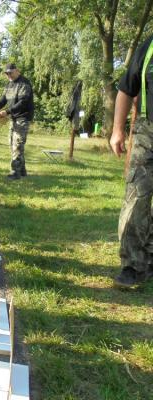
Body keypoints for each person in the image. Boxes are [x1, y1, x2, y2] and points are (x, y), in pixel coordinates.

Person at [110, 35, 153, 288]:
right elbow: (126, 89)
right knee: (136, 197)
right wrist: (118, 130)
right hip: (147, 133)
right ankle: (132, 266)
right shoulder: (148, 46)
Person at [0, 63, 34, 179]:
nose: (9, 75)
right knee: (12, 144)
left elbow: (23, 102)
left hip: (23, 117)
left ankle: (15, 172)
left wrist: (6, 112)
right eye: (6, 74)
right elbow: (3, 100)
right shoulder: (9, 85)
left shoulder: (24, 83)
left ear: (17, 71)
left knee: (17, 145)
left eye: (10, 73)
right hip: (13, 118)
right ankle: (22, 170)